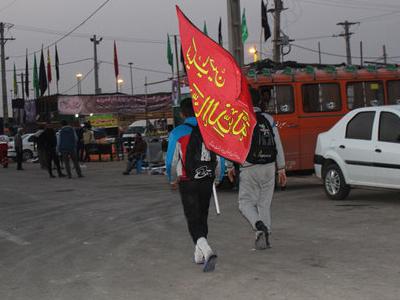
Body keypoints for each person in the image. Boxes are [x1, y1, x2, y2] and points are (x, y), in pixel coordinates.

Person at [166, 98, 224, 272]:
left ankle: (206, 250)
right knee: (202, 215)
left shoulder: (178, 132)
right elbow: (220, 157)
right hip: (207, 179)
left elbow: (171, 160)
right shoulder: (210, 130)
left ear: (183, 113)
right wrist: (218, 177)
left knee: (192, 218)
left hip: (188, 180)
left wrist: (172, 178)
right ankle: (198, 254)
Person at [228, 88, 287, 250]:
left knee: (245, 203)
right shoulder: (268, 118)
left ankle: (258, 225)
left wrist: (229, 166)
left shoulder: (240, 119)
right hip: (269, 166)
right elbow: (278, 144)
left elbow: (233, 145)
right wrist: (281, 168)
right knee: (264, 204)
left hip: (249, 167)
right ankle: (264, 235)